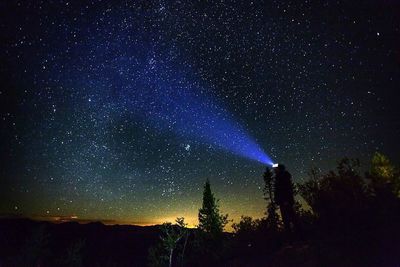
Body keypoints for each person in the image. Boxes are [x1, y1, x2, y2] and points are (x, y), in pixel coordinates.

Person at [273, 164, 297, 233]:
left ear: (280, 169)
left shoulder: (284, 177)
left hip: (286, 201)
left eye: (276, 169)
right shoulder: (279, 177)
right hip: (282, 201)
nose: (274, 170)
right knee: (286, 220)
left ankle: (300, 237)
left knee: (292, 218)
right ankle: (291, 239)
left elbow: (286, 189)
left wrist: (286, 200)